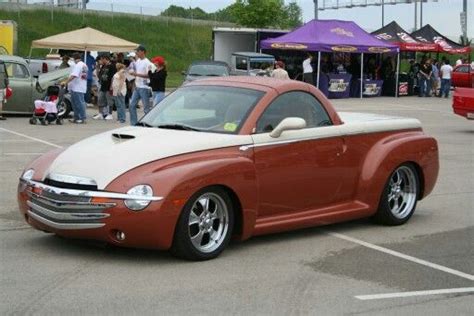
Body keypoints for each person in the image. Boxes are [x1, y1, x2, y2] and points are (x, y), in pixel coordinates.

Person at [129, 45, 152, 125]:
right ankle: (134, 123)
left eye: (138, 51)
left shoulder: (147, 62)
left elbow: (149, 75)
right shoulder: (138, 61)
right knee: (132, 105)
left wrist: (136, 74)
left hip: (144, 87)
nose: (136, 53)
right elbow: (137, 72)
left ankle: (149, 123)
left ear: (142, 52)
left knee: (146, 108)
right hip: (137, 86)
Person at [64, 52, 88, 124]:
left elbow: (74, 75)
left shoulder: (78, 65)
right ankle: (77, 117)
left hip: (77, 87)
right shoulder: (84, 65)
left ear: (74, 58)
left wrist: (66, 82)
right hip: (80, 86)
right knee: (76, 103)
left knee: (79, 103)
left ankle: (81, 118)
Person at [94, 53, 116, 120]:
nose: (100, 61)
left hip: (108, 86)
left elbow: (113, 77)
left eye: (101, 59)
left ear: (105, 59)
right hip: (102, 86)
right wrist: (97, 68)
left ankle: (110, 114)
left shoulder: (112, 66)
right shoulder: (103, 66)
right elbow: (99, 76)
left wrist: (111, 86)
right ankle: (100, 113)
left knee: (109, 101)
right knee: (100, 99)